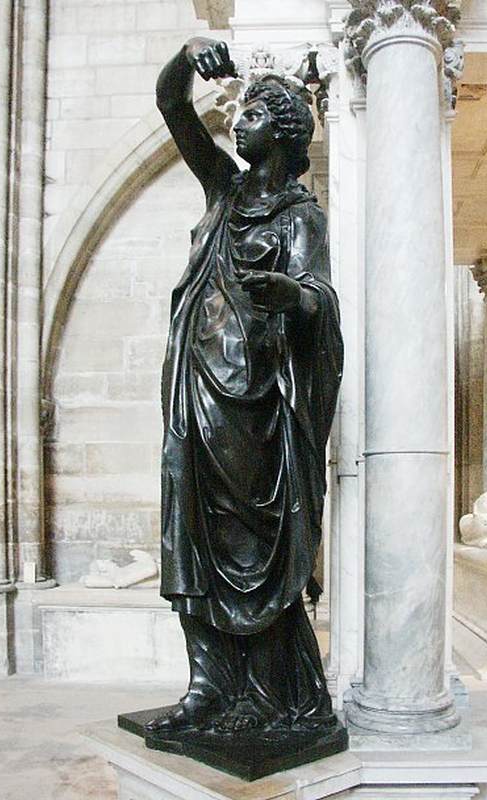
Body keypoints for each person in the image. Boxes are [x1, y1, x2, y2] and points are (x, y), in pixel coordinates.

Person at [146, 37, 343, 736]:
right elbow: (172, 104)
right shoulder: (222, 190)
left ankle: (264, 694)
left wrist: (291, 292)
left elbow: (320, 299)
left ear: (286, 131)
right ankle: (205, 685)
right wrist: (186, 55)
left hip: (256, 405)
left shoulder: (300, 217)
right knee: (189, 531)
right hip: (193, 393)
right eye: (243, 109)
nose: (241, 119)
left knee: (256, 545)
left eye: (257, 111)